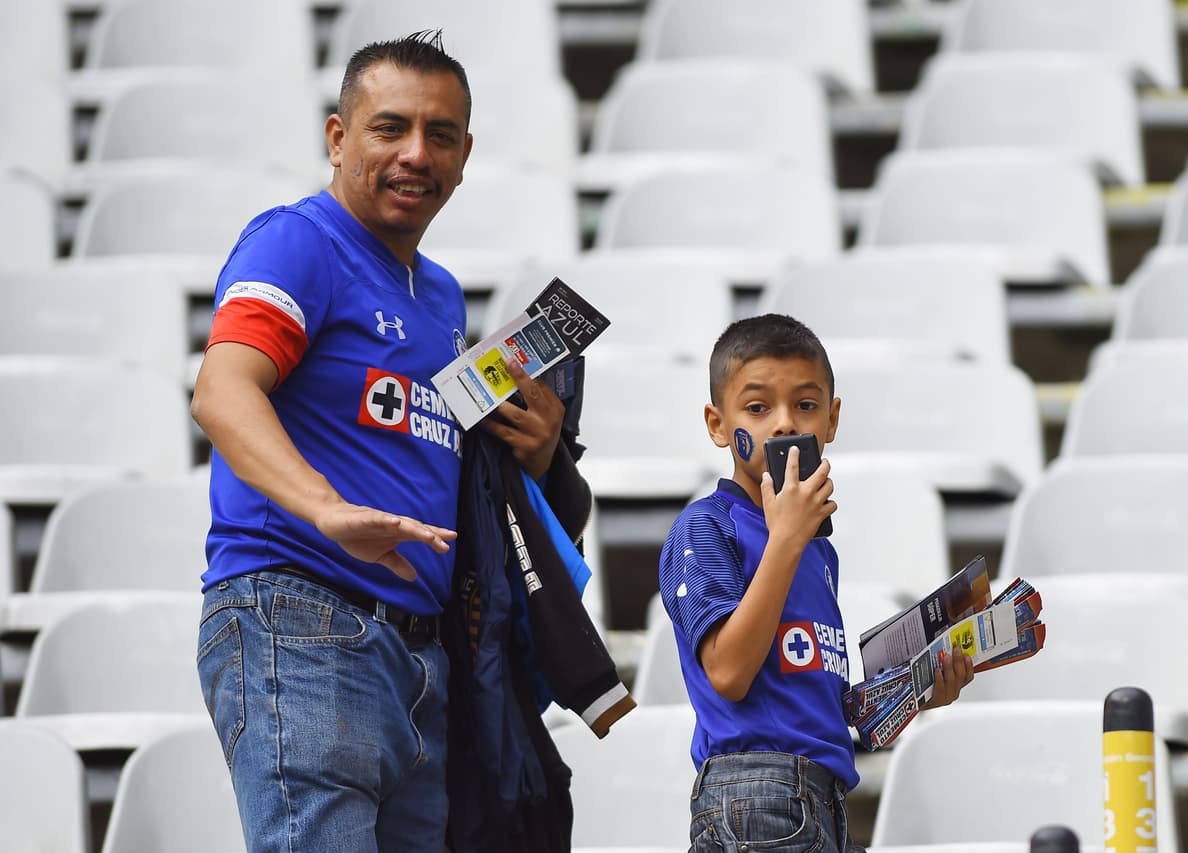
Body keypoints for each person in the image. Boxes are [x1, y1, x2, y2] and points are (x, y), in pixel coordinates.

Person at [190, 30, 566, 853]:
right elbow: (221, 389)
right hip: (305, 611)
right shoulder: (298, 239)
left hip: (419, 650)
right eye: (388, 127)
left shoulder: (438, 295)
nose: (414, 153)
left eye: (439, 135)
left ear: (466, 154)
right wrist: (326, 510)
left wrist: (536, 449)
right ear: (337, 137)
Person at [657, 314, 974, 852]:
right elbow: (729, 673)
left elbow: (809, 696)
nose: (783, 424)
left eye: (805, 405)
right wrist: (783, 541)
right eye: (757, 408)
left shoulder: (816, 548)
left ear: (831, 419)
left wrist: (917, 687)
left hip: (822, 796)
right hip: (754, 795)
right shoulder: (705, 526)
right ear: (717, 424)